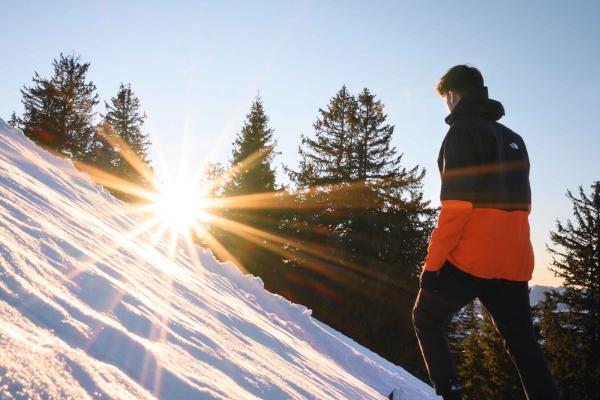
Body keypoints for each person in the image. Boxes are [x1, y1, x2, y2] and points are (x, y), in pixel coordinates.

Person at [410, 65, 560, 400]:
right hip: (515, 261)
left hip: (473, 260)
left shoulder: (462, 133)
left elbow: (456, 209)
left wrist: (431, 266)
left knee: (426, 316)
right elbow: (522, 206)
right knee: (524, 345)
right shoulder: (514, 139)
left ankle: (449, 395)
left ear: (452, 94)